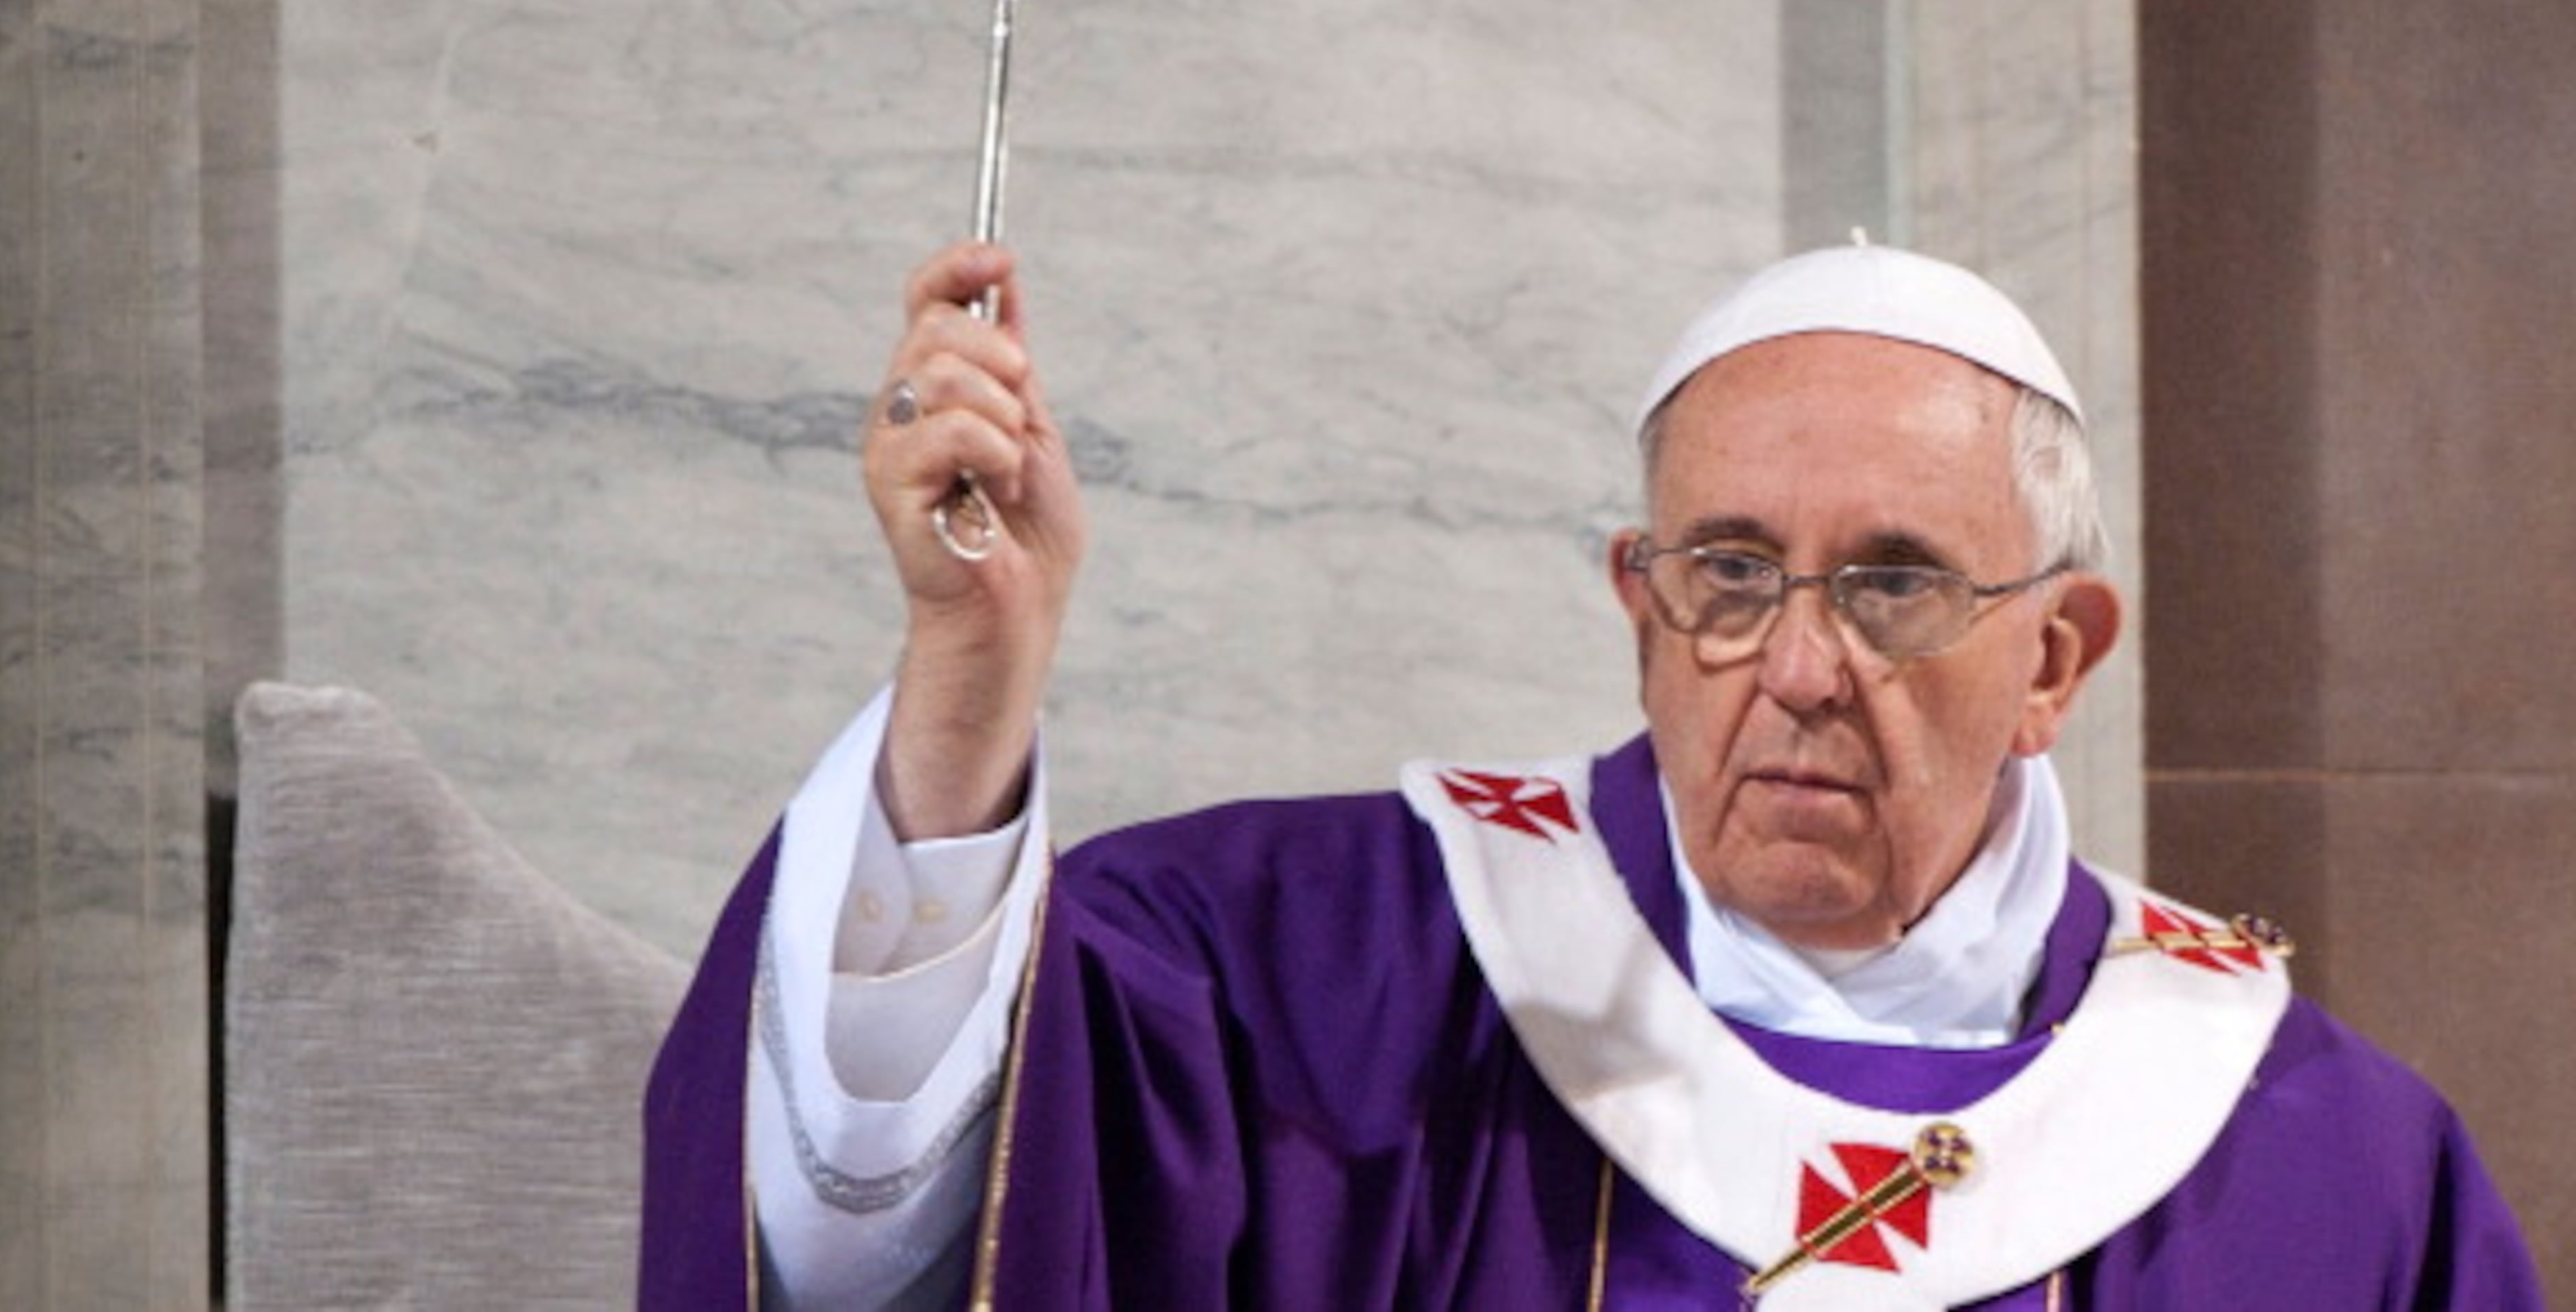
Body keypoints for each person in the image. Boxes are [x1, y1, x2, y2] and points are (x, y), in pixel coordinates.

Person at [641, 239, 2541, 1309]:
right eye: (1727, 574)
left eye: (1891, 585)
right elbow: (886, 1222)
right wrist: (972, 680)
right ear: (1637, 601)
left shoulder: (2316, 1163)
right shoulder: (1294, 990)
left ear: (2053, 655)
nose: (1795, 666)